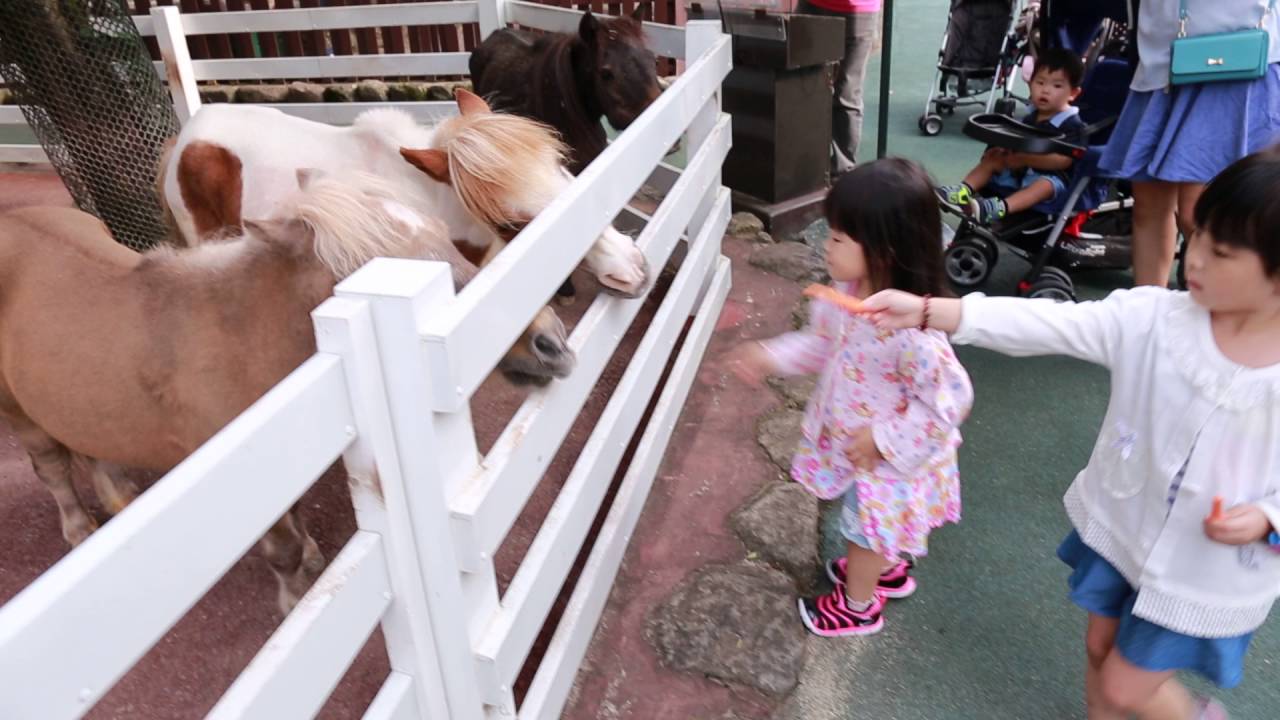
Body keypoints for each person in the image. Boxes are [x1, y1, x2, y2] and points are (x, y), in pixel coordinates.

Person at [859, 147, 1280, 718]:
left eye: (1222, 252)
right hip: (1123, 526)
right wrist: (935, 310)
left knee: (1124, 687)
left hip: (1201, 570)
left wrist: (1267, 519)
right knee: (1099, 649)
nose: (1196, 258)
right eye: (1197, 234)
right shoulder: (1155, 318)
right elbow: (1052, 323)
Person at [726, 158, 973, 636]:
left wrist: (886, 440)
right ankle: (885, 568)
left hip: (890, 459)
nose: (826, 243)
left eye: (839, 237)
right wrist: (771, 356)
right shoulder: (846, 294)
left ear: (884, 249)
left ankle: (859, 605)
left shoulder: (914, 334)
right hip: (864, 445)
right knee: (874, 527)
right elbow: (822, 345)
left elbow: (952, 398)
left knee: (865, 529)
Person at [1099, 0, 1280, 287]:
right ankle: (1148, 316)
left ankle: (1225, 319)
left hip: (1236, 51)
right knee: (1149, 203)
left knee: (1201, 212)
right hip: (1163, 53)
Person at [936, 48, 1086, 225]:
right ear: (1030, 84)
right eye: (1040, 82)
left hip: (1050, 178)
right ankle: (962, 191)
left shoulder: (1072, 124)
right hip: (1019, 171)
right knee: (993, 159)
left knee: (1044, 185)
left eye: (1057, 86)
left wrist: (1025, 159)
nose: (1045, 90)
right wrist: (1002, 151)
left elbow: (1063, 161)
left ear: (1073, 94)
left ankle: (999, 208)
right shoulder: (1031, 117)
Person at [798, 0, 881, 178]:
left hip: (851, 10)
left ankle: (834, 170)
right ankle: (830, 169)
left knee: (840, 91)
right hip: (843, 9)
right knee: (840, 91)